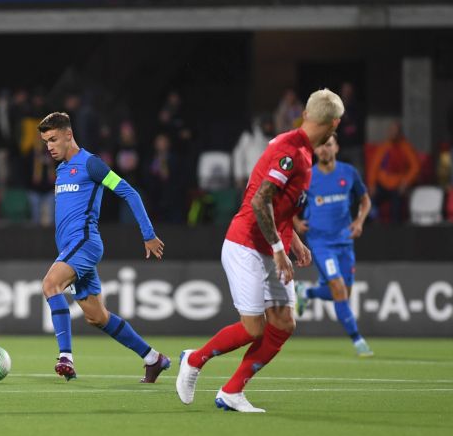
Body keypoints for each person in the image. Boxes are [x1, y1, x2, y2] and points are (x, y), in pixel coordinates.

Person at [176, 88, 342, 414]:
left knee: (283, 323)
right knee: (253, 328)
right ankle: (194, 359)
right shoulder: (292, 151)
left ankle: (232, 391)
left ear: (307, 114)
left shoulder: (301, 149)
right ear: (334, 123)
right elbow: (259, 200)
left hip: (271, 243)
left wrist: (292, 240)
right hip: (246, 245)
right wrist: (281, 250)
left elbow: (279, 206)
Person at [37, 111, 168, 383]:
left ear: (68, 135)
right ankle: (153, 359)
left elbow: (128, 192)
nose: (48, 146)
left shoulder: (91, 165)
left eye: (52, 139)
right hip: (71, 249)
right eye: (45, 141)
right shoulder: (61, 168)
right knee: (97, 317)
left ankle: (65, 357)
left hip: (85, 244)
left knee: (50, 285)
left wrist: (148, 234)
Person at [294, 133, 373, 356]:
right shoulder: (308, 176)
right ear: (315, 151)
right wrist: (296, 222)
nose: (324, 150)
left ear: (336, 147)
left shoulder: (348, 173)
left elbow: (365, 199)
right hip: (320, 242)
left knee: (342, 293)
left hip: (345, 241)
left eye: (328, 145)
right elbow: (288, 203)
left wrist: (359, 220)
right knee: (338, 288)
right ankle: (358, 340)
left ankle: (306, 292)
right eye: (320, 146)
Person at [366, 121, 420, 224]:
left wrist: (406, 182)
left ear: (400, 133)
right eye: (391, 131)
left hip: (398, 186)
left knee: (396, 211)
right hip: (382, 185)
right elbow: (374, 167)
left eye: (395, 131)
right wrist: (372, 184)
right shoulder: (384, 147)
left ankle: (395, 233)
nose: (393, 134)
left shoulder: (406, 147)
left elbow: (415, 167)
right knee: (369, 203)